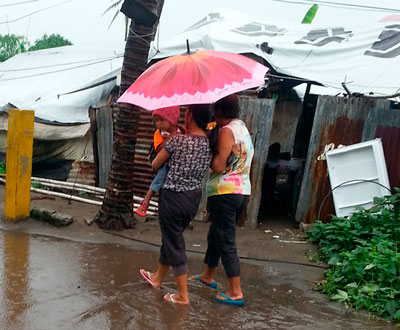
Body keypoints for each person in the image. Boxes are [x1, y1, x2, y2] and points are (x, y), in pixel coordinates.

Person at [139, 104, 213, 305]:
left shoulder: (177, 141)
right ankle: (157, 278)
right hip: (193, 200)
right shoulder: (209, 143)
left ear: (189, 116)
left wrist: (166, 145)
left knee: (175, 244)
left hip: (172, 199)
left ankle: (182, 295)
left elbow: (155, 164)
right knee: (171, 238)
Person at [193, 94, 254, 307]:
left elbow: (219, 166)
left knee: (226, 239)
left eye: (214, 112)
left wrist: (208, 147)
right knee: (216, 233)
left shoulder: (227, 131)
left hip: (225, 192)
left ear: (219, 112)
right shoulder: (242, 129)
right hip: (241, 191)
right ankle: (208, 275)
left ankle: (236, 291)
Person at [135, 106, 182, 217]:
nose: (158, 123)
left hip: (177, 165)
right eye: (156, 121)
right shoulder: (158, 134)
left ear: (171, 119)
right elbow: (159, 149)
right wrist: (172, 137)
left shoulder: (182, 131)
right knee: (160, 179)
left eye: (161, 120)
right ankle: (146, 201)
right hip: (164, 164)